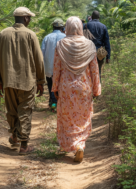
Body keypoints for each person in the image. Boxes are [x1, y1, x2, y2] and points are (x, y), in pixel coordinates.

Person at [0, 7, 45, 155]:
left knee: (12, 111)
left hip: (8, 81)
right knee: (25, 111)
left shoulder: (3, 34)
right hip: (27, 81)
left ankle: (14, 136)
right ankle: (23, 145)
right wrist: (40, 81)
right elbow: (39, 60)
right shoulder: (31, 35)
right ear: (26, 19)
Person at [52, 17, 101, 163]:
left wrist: (55, 87)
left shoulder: (61, 44)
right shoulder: (90, 45)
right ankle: (80, 145)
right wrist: (96, 89)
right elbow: (95, 70)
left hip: (66, 87)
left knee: (67, 117)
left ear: (67, 27)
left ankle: (69, 144)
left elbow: (56, 68)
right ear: (80, 27)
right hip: (84, 88)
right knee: (82, 117)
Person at [41, 19, 66, 111]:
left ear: (53, 26)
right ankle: (59, 103)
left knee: (51, 84)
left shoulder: (46, 37)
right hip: (62, 67)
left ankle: (52, 102)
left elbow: (42, 53)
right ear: (62, 27)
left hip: (49, 67)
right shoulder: (65, 37)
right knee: (60, 85)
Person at [85, 10, 111, 81]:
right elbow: (107, 42)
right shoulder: (103, 26)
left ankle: (90, 89)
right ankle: (98, 89)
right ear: (99, 17)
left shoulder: (87, 25)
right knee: (98, 71)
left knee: (88, 71)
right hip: (100, 51)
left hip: (88, 51)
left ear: (92, 17)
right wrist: (108, 56)